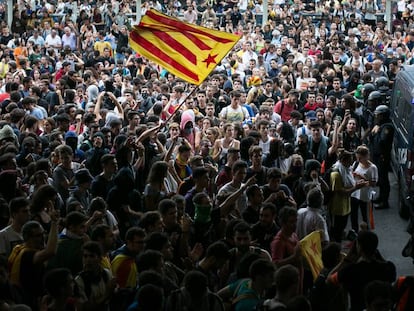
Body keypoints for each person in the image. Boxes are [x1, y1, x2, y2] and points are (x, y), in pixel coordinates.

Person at [328, 231, 396, 311]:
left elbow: (329, 279)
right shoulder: (389, 268)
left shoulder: (349, 270)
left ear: (358, 247)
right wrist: (377, 254)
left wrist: (346, 260)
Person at [329, 150, 368, 242]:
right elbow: (341, 192)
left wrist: (357, 184)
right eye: (350, 161)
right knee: (337, 231)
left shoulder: (346, 170)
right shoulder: (336, 174)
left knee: (342, 227)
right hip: (337, 208)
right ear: (343, 160)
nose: (351, 164)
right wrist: (356, 187)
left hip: (345, 206)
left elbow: (350, 184)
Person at [369, 105, 394, 209]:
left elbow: (382, 142)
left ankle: (384, 202)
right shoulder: (380, 125)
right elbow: (371, 137)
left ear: (383, 116)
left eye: (378, 115)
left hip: (382, 156)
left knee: (383, 179)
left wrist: (378, 131)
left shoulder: (386, 127)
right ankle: (380, 197)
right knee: (380, 178)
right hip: (376, 155)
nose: (376, 117)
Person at [351, 145, 378, 232]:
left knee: (365, 216)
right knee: (354, 215)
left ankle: (366, 232)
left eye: (360, 158)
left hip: (365, 195)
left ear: (366, 156)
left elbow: (373, 183)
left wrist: (361, 177)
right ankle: (354, 231)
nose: (359, 160)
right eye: (357, 158)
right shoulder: (356, 164)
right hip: (355, 194)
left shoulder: (372, 168)